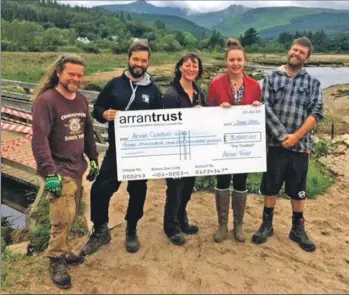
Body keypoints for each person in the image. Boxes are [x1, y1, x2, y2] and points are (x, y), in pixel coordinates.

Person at [80, 41, 163, 255]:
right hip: (117, 150)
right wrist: (103, 114)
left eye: (143, 60)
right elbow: (97, 107)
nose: (139, 64)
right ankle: (100, 230)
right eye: (136, 59)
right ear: (129, 59)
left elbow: (161, 120)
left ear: (147, 63)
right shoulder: (114, 84)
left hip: (141, 152)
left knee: (137, 191)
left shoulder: (153, 91)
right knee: (100, 189)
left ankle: (131, 228)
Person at [31, 54, 99, 289]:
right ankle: (56, 260)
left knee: (71, 214)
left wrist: (93, 158)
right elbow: (39, 141)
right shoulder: (46, 101)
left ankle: (64, 250)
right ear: (58, 73)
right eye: (71, 74)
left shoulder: (80, 99)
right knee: (62, 218)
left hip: (77, 166)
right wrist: (50, 173)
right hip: (59, 170)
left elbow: (88, 131)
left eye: (80, 75)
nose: (76, 79)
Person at [251, 37, 323, 252]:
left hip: (300, 148)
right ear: (289, 51)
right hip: (275, 145)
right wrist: (283, 136)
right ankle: (266, 225)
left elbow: (316, 112)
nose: (296, 53)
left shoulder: (313, 83)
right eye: (294, 49)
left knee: (297, 191)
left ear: (307, 58)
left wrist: (296, 137)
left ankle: (297, 228)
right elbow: (265, 106)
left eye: (301, 52)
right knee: (270, 187)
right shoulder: (271, 77)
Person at [208, 38, 262, 243]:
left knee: (240, 180)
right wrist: (217, 110)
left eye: (239, 59)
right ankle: (222, 224)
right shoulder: (215, 84)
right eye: (232, 60)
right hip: (222, 143)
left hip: (244, 146)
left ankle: (238, 224)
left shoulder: (255, 86)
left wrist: (256, 108)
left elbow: (258, 114)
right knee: (222, 180)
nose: (236, 63)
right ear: (226, 62)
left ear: (245, 61)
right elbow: (207, 113)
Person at [162, 53, 206, 246]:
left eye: (195, 66)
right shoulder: (172, 94)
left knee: (187, 189)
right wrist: (173, 161)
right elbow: (166, 129)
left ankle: (182, 221)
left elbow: (208, 116)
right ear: (180, 67)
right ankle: (171, 228)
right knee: (174, 190)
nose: (191, 69)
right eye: (187, 65)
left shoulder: (198, 92)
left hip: (192, 151)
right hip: (175, 151)